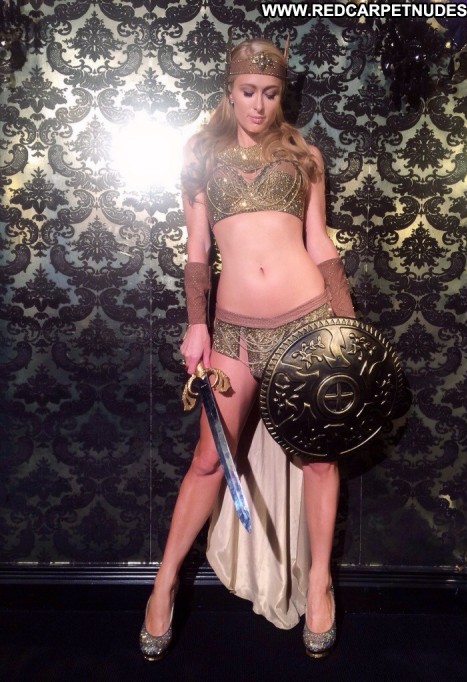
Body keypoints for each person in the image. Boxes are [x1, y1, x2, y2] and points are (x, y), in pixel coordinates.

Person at [139, 36, 355, 661]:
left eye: (270, 93)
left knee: (319, 459)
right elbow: (198, 249)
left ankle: (319, 585)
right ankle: (162, 586)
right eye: (247, 92)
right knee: (209, 461)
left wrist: (347, 327)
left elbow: (319, 243)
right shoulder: (200, 156)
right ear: (229, 91)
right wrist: (196, 324)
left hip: (307, 322)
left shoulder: (305, 156)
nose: (259, 105)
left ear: (281, 96)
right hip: (233, 331)